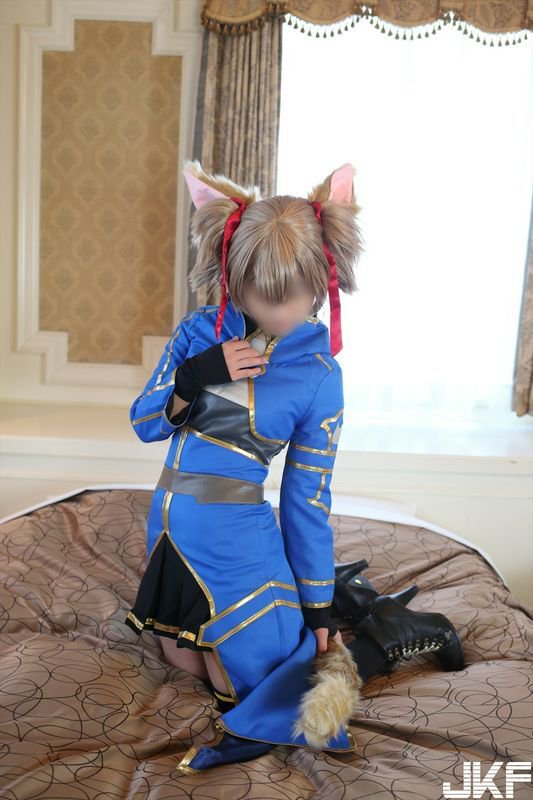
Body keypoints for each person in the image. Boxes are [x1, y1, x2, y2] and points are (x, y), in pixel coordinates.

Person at [124, 160, 464, 773]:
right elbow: (146, 423)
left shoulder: (320, 375)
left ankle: (387, 633)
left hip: (238, 539)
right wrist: (196, 376)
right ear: (235, 277)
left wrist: (316, 604)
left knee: (251, 691)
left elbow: (307, 498)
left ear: (321, 278)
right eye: (260, 292)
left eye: (294, 292)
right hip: (170, 529)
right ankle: (349, 605)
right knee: (183, 660)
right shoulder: (199, 332)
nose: (278, 309)